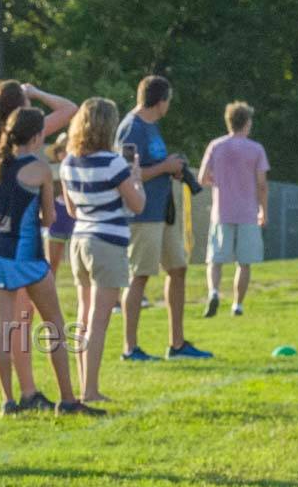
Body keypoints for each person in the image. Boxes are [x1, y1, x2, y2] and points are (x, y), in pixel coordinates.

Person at [0, 108, 97, 416]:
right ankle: (67, 400)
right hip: (28, 257)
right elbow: (50, 217)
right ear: (36, 136)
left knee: (4, 329)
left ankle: (8, 401)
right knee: (55, 326)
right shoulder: (40, 169)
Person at [115, 75, 212, 360]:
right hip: (142, 214)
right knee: (140, 277)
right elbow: (125, 174)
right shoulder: (131, 129)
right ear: (160, 101)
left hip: (163, 211)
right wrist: (164, 167)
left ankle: (177, 344)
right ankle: (130, 348)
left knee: (178, 270)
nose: (168, 105)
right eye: (168, 100)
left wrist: (172, 168)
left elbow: (152, 164)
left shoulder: (152, 127)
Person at [61, 98, 147, 402]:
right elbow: (137, 205)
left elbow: (71, 210)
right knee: (99, 320)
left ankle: (85, 386)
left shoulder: (68, 161)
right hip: (107, 242)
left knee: (84, 318)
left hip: (80, 241)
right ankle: (91, 391)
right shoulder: (113, 163)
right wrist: (136, 178)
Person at [199, 101, 269, 317]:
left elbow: (202, 178)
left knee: (215, 259)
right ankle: (237, 305)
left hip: (222, 211)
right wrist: (263, 210)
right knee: (244, 262)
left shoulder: (216, 146)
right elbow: (262, 184)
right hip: (247, 213)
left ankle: (213, 292)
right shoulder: (256, 149)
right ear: (247, 123)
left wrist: (218, 181)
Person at [43, 133, 76, 275]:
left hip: (75, 217)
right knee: (52, 264)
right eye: (61, 149)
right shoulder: (50, 170)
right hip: (57, 215)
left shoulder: (80, 168)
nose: (65, 152)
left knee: (79, 267)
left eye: (68, 148)